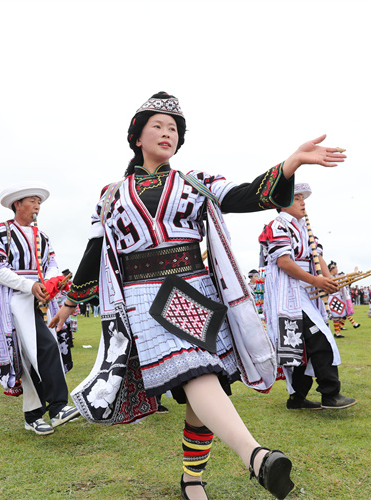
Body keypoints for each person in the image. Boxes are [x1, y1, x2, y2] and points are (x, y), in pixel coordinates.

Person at [49, 92, 346, 500]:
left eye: (173, 129)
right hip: (145, 295)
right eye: (158, 126)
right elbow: (96, 252)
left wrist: (291, 162)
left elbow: (247, 195)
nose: (167, 133)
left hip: (197, 288)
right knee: (197, 372)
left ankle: (192, 480)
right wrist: (69, 302)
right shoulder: (111, 194)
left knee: (204, 384)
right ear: (137, 136)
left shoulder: (195, 181)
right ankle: (256, 457)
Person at [0, 183, 80, 435]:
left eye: (39, 202)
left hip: (41, 297)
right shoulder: (1, 232)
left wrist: (50, 282)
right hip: (14, 298)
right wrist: (29, 285)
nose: (37, 206)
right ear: (17, 204)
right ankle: (57, 407)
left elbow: (52, 262)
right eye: (32, 201)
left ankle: (33, 415)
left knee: (34, 354)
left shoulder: (41, 235)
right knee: (43, 347)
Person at [259, 184, 356, 411]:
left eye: (304, 198)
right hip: (288, 291)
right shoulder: (276, 226)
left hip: (307, 289)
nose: (303, 202)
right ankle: (330, 393)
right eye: (297, 198)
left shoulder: (306, 228)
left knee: (303, 344)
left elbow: (317, 256)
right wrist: (316, 281)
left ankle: (297, 398)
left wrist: (328, 279)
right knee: (319, 338)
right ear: (282, 203)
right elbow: (284, 262)